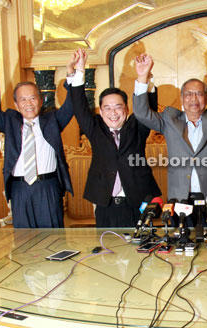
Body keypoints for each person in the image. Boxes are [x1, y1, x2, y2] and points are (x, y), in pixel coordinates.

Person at [0, 44, 74, 228]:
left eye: (33, 98)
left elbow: (72, 105)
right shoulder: (9, 120)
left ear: (40, 101)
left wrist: (73, 74)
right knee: (24, 243)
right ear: (16, 105)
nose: (29, 104)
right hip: (19, 189)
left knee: (52, 243)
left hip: (48, 187)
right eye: (23, 100)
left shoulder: (52, 120)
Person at [131, 53, 207, 203]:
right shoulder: (169, 120)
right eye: (188, 94)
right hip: (180, 199)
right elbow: (142, 114)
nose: (194, 99)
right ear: (181, 99)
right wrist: (142, 78)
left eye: (199, 94)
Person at [69, 49, 161, 227]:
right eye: (107, 108)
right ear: (101, 111)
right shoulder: (95, 127)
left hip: (138, 201)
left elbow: (147, 106)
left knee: (139, 249)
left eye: (118, 107)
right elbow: (79, 106)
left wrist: (143, 78)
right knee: (107, 249)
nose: (113, 113)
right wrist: (80, 71)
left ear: (126, 109)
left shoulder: (138, 125)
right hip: (105, 202)